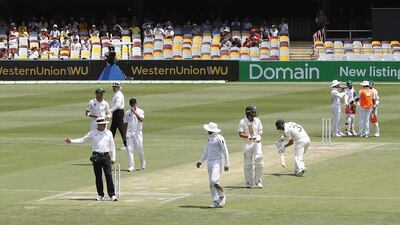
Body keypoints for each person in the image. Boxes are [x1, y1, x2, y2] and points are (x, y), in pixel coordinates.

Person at [65, 117, 118, 201]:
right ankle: (100, 194)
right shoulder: (92, 133)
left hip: (106, 156)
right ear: (98, 125)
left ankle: (112, 195)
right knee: (98, 176)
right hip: (96, 156)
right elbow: (82, 140)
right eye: (103, 124)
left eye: (105, 124)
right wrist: (71, 141)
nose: (104, 125)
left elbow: (112, 146)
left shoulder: (109, 133)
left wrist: (114, 157)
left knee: (108, 175)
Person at [196, 122, 229, 208]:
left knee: (214, 180)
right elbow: (206, 151)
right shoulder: (209, 138)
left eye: (209, 130)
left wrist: (227, 163)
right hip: (209, 162)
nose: (208, 131)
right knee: (211, 182)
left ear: (213, 131)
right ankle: (215, 200)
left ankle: (222, 196)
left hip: (217, 162)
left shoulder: (219, 138)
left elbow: (225, 151)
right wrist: (201, 161)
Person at [238, 105, 264, 188]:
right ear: (249, 113)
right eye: (254, 112)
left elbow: (260, 130)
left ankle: (258, 181)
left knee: (259, 161)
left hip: (257, 142)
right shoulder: (242, 121)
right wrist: (247, 136)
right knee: (247, 164)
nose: (255, 113)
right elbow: (240, 133)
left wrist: (259, 135)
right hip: (247, 144)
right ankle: (248, 182)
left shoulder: (257, 120)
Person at [123, 98, 146, 172]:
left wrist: (135, 112)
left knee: (140, 149)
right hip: (129, 133)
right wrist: (124, 134)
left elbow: (141, 120)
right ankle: (131, 166)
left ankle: (143, 162)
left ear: (136, 103)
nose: (133, 106)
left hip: (138, 132)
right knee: (129, 150)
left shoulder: (141, 111)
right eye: (131, 104)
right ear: (130, 104)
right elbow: (125, 123)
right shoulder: (127, 113)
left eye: (134, 104)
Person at [110, 82, 126, 150]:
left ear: (118, 87)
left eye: (115, 87)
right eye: (113, 86)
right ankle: (109, 144)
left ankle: (126, 145)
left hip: (118, 112)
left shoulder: (119, 94)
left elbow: (118, 105)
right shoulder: (116, 94)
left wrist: (110, 110)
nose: (113, 88)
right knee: (112, 129)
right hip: (116, 112)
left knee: (121, 129)